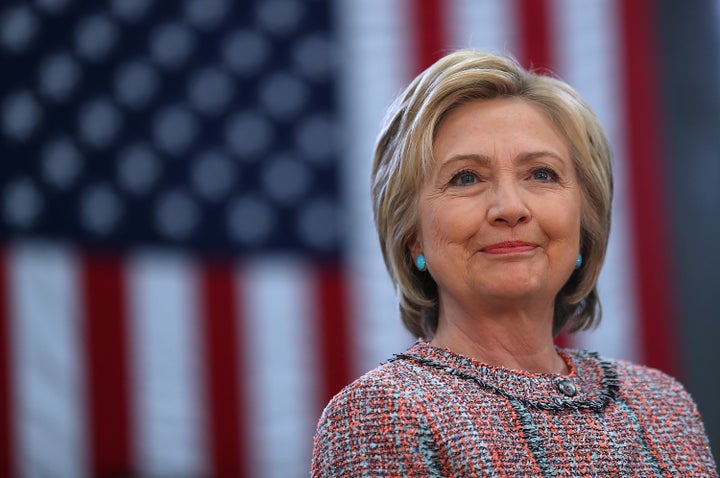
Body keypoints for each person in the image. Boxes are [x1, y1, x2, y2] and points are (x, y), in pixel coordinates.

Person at [311, 50, 718, 476]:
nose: (510, 208)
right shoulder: (382, 415)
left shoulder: (662, 403)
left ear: (585, 222)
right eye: (465, 177)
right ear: (412, 237)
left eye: (541, 174)